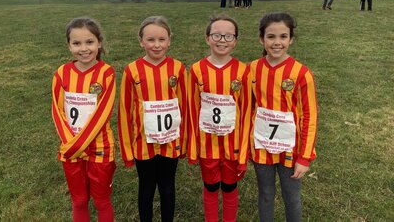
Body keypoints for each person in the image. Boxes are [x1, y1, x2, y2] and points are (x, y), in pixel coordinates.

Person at [248, 12, 318, 222]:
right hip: (261, 147)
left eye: (283, 36)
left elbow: (310, 116)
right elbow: (247, 109)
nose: (277, 42)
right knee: (266, 194)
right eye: (271, 37)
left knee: (291, 197)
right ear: (262, 39)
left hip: (291, 149)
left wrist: (304, 157)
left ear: (291, 39)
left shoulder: (302, 73)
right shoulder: (252, 69)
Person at [118, 16, 187, 222]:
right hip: (142, 143)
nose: (156, 45)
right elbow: (125, 110)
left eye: (161, 39)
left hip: (171, 141)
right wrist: (127, 148)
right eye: (150, 40)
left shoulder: (178, 69)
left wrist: (183, 141)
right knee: (146, 187)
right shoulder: (132, 70)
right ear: (141, 41)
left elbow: (185, 107)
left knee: (167, 187)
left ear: (169, 40)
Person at [51, 17, 116, 222]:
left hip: (99, 148)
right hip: (70, 148)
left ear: (99, 43)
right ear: (68, 45)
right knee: (79, 201)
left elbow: (102, 113)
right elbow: (57, 111)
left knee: (101, 201)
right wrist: (71, 145)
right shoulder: (62, 73)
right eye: (76, 43)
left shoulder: (106, 73)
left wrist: (75, 146)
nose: (83, 48)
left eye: (89, 42)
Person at [188, 14, 251, 222]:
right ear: (207, 38)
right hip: (207, 144)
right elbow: (192, 108)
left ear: (235, 41)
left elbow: (247, 112)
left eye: (228, 36)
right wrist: (193, 146)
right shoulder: (197, 69)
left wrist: (243, 151)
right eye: (217, 35)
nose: (222, 40)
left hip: (232, 144)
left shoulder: (243, 71)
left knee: (230, 187)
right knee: (211, 186)